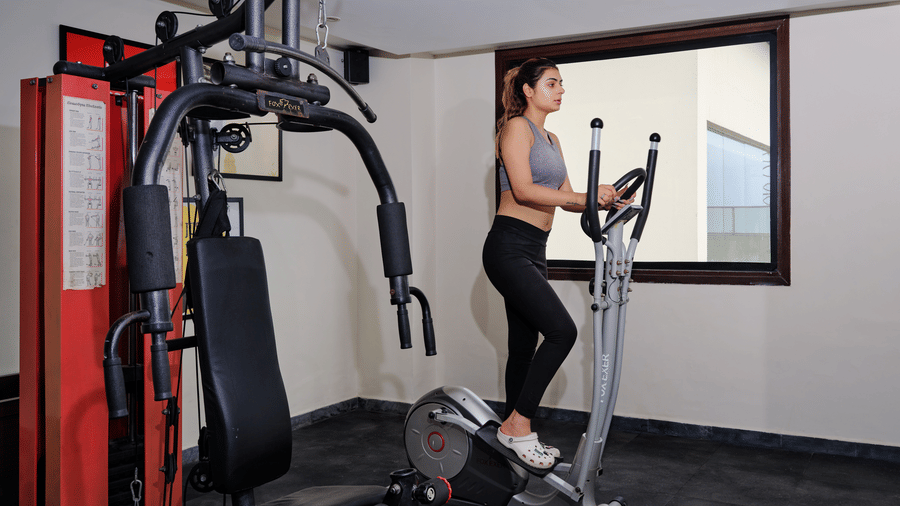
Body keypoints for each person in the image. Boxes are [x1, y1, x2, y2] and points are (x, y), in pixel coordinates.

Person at [483, 57, 630, 469]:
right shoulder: (515, 128)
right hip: (508, 246)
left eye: (561, 84)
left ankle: (513, 437)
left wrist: (606, 198)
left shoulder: (553, 140)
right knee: (562, 331)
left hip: (535, 247)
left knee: (523, 347)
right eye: (552, 83)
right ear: (529, 91)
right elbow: (526, 191)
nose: (561, 90)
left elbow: (566, 199)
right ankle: (517, 427)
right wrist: (585, 196)